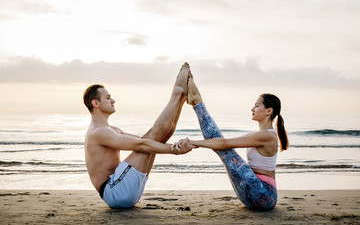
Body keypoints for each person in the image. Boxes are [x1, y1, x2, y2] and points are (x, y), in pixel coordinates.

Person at [83, 63, 194, 209]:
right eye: (108, 98)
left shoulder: (111, 129)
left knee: (154, 138)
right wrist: (174, 150)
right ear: (95, 103)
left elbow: (146, 140)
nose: (113, 100)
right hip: (115, 192)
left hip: (121, 191)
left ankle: (181, 97)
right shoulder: (98, 132)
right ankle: (178, 92)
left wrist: (174, 146)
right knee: (149, 141)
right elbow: (142, 145)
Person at [179, 73, 289, 210]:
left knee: (227, 152)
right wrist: (196, 143)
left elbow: (224, 144)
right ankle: (197, 103)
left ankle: (198, 103)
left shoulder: (267, 136)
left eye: (256, 106)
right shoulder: (260, 135)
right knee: (225, 149)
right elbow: (222, 142)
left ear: (268, 111)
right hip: (253, 196)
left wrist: (194, 142)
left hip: (264, 195)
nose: (252, 109)